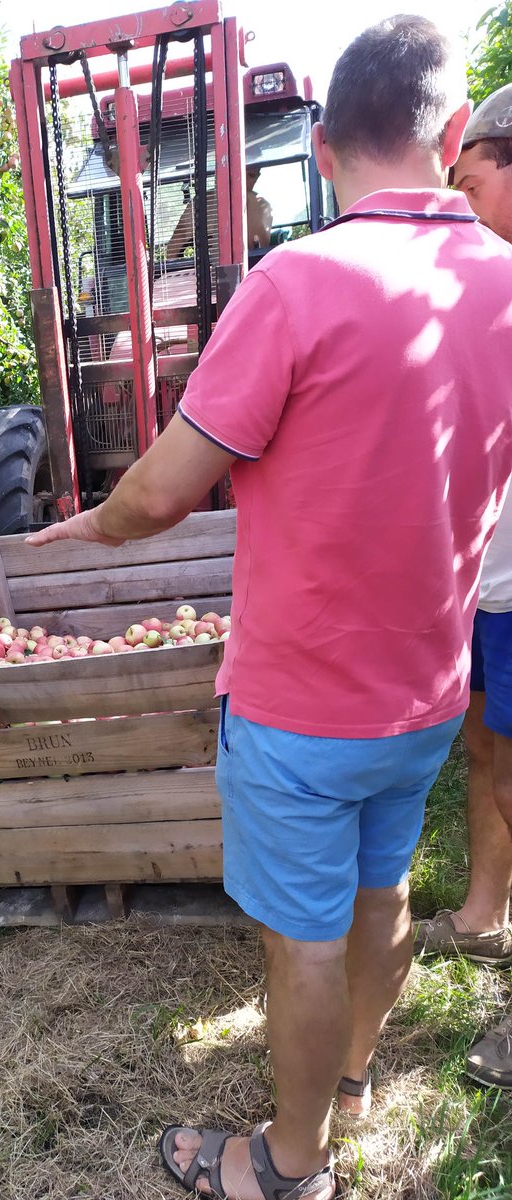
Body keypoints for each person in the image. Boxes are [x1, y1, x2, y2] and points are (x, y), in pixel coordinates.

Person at [27, 16, 512, 1200]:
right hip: (427, 691)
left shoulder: (294, 283)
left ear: (323, 143)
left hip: (301, 703)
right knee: (382, 893)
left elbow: (159, 495)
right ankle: (349, 1080)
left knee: (300, 937)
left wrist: (85, 528)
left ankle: (290, 1164)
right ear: (453, 135)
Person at [414, 82, 512, 1092]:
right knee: (487, 748)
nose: (462, 204)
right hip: (486, 587)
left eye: (473, 182)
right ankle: (485, 914)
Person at [166, 167, 272, 260]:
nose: (242, 179)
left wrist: (250, 202)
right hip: (208, 274)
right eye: (239, 171)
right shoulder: (202, 202)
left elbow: (262, 250)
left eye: (251, 175)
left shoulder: (262, 205)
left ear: (257, 177)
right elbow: (173, 250)